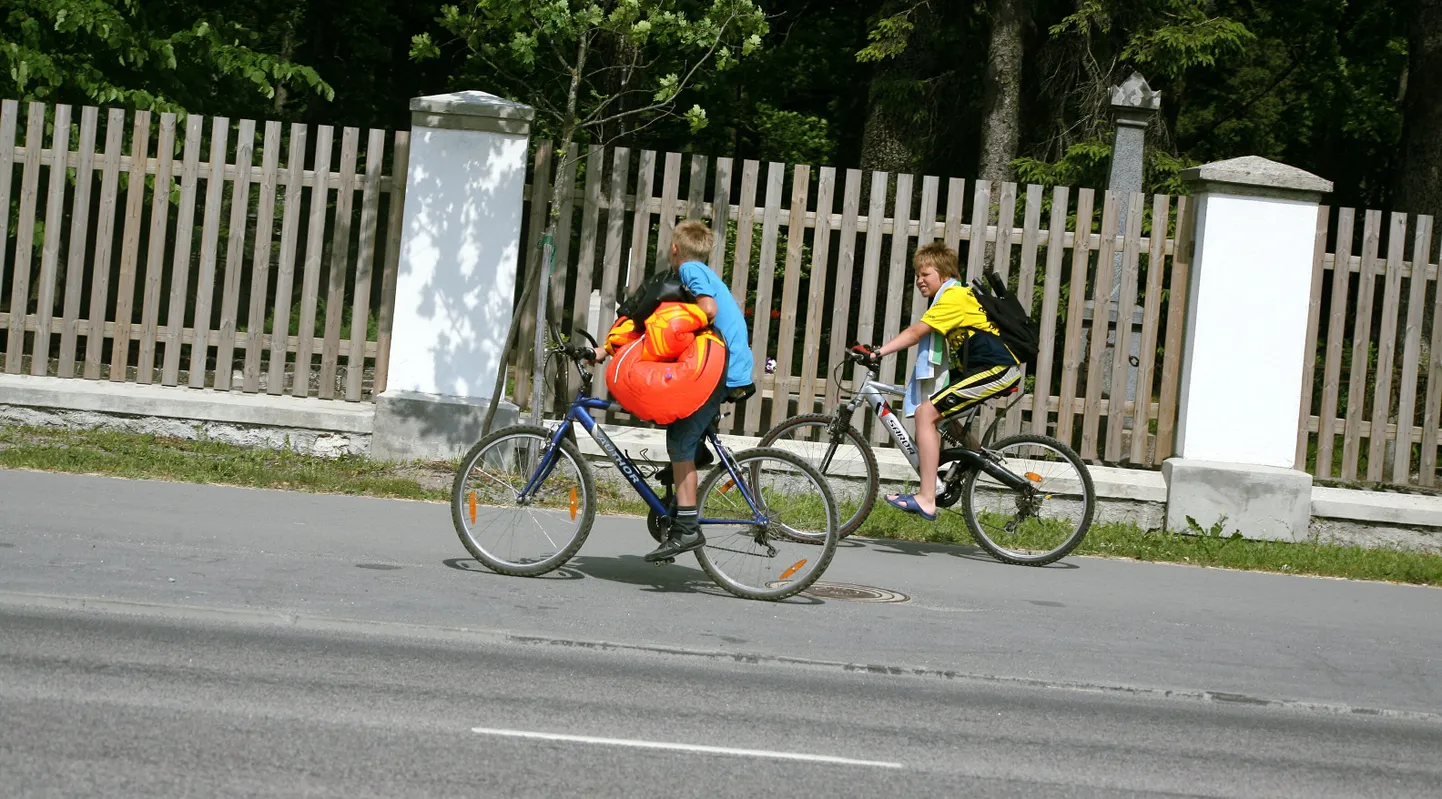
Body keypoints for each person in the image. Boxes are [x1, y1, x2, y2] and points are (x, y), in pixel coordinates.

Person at [589, 220, 754, 560]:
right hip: (727, 367)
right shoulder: (699, 272)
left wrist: (675, 328)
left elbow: (707, 310)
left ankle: (688, 529)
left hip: (723, 371)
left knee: (679, 442)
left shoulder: (692, 269)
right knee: (681, 430)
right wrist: (606, 350)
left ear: (676, 248)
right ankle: (693, 464)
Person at [863, 242, 1021, 521]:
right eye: (917, 275)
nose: (919, 280)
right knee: (939, 416)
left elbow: (916, 332)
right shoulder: (952, 296)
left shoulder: (953, 297)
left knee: (926, 413)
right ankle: (975, 461)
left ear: (945, 274)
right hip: (983, 368)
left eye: (926, 274)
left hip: (996, 368)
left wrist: (878, 352)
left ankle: (926, 499)